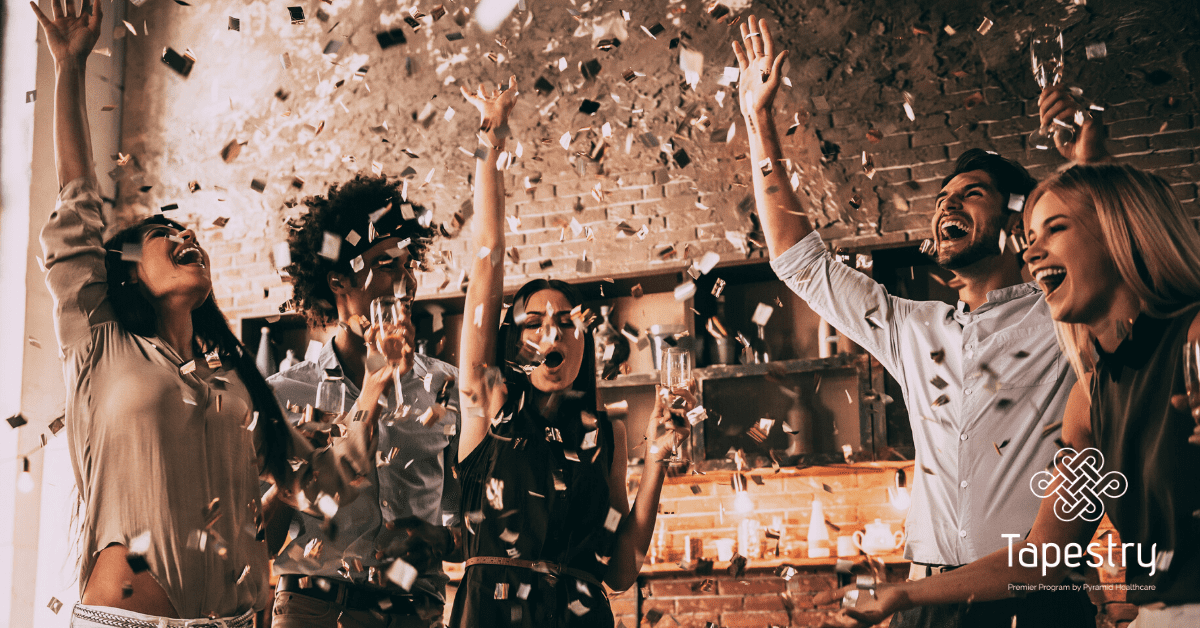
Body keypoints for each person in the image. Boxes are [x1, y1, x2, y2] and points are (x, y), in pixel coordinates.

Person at [732, 15, 1109, 628]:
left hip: (1037, 602)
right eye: (942, 200)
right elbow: (797, 261)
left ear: (1019, 225)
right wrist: (758, 120)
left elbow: (1117, 261)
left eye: (971, 194)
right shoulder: (912, 328)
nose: (948, 207)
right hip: (925, 604)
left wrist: (1089, 173)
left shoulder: (1066, 316)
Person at [33, 1, 376, 626]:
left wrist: (377, 389)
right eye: (163, 231)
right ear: (127, 268)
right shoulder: (100, 343)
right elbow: (75, 209)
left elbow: (318, 491)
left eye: (190, 230)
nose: (184, 234)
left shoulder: (238, 381)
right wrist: (69, 66)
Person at [815, 163, 1200, 627]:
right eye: (1032, 235)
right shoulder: (1087, 401)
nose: (1033, 251)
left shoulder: (1192, 342)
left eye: (1053, 230)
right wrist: (903, 592)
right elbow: (1044, 555)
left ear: (1121, 235)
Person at [447, 77, 694, 627]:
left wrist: (655, 462)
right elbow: (486, 260)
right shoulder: (486, 405)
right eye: (533, 325)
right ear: (515, 344)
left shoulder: (608, 433)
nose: (551, 335)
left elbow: (621, 570)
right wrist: (492, 144)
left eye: (566, 323)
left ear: (587, 340)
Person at [265, 174, 461, 628]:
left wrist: (440, 540)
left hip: (415, 612)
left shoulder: (445, 386)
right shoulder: (284, 393)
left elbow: (476, 525)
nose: (405, 282)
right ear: (337, 280)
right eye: (388, 265)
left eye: (408, 266)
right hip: (312, 609)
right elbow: (260, 535)